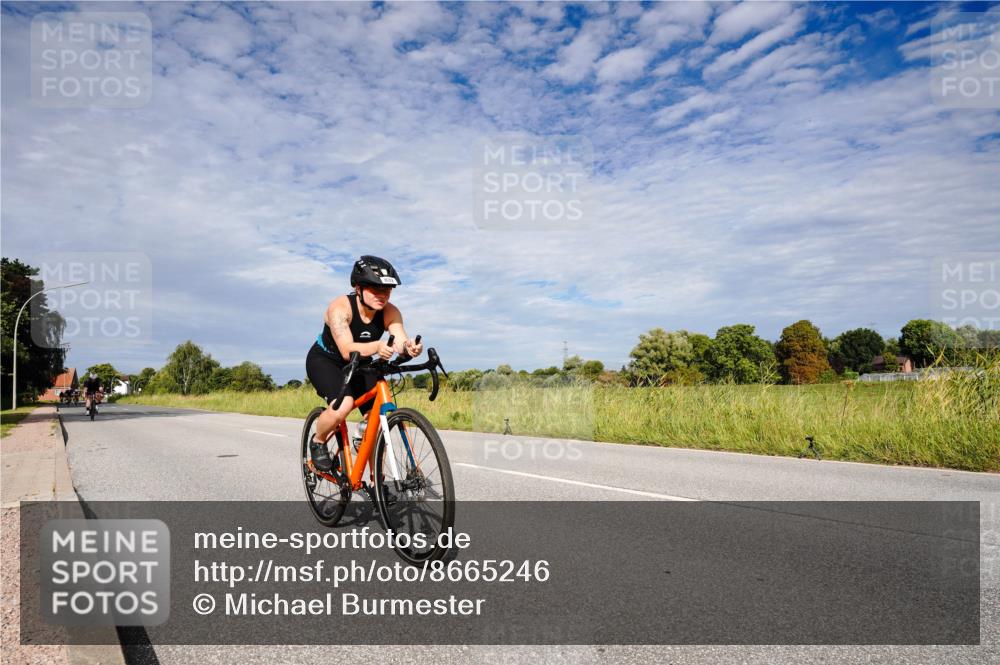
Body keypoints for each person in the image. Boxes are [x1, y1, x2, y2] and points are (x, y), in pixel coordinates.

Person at [305, 256, 422, 472]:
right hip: (327, 360)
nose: (382, 295)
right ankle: (318, 441)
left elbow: (399, 340)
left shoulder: (390, 311)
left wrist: (409, 347)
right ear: (358, 288)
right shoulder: (340, 308)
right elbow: (346, 350)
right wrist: (378, 346)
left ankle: (377, 481)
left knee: (377, 420)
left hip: (362, 363)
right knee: (343, 405)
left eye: (387, 290)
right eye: (375, 289)